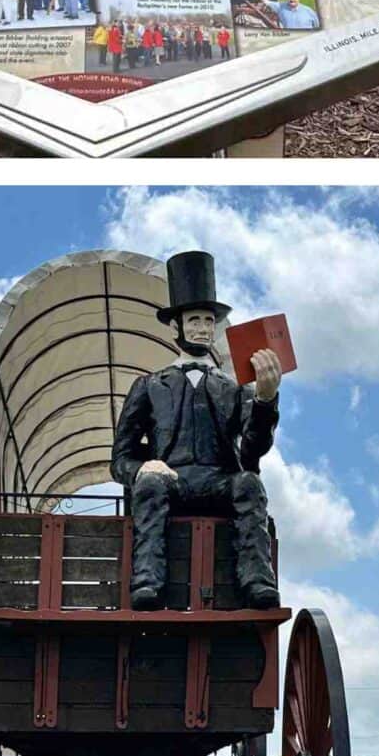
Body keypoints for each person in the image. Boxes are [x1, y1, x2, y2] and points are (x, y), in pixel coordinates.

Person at [110, 250, 282, 609]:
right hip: (171, 480)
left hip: (218, 480)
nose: (202, 328)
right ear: (175, 327)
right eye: (194, 320)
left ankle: (256, 581)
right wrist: (144, 467)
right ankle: (147, 583)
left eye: (208, 321)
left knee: (249, 482)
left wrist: (265, 400)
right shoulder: (149, 386)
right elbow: (120, 458)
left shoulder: (234, 389)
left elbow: (252, 452)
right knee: (151, 484)